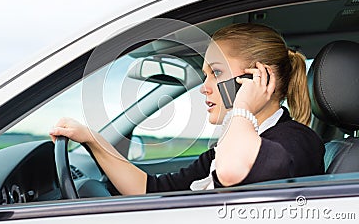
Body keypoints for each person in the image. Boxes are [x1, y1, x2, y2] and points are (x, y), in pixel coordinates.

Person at [50, 23, 325, 195]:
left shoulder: (298, 140)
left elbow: (232, 173)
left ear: (256, 77)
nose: (203, 87)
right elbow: (150, 189)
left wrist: (241, 106)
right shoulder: (230, 145)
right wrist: (92, 139)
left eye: (216, 73)